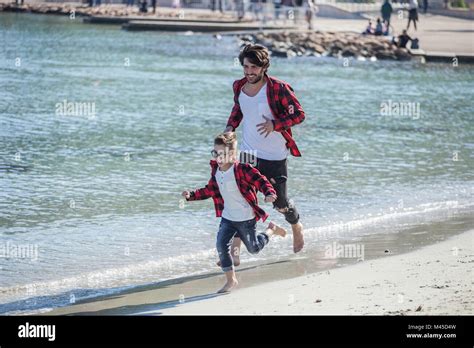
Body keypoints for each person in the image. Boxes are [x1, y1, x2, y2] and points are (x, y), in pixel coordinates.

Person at [223, 44, 306, 265]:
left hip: (274, 155)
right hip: (248, 153)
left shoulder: (278, 88)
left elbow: (299, 115)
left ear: (263, 67)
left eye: (253, 67)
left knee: (280, 203)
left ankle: (296, 225)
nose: (249, 72)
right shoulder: (239, 86)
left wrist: (275, 124)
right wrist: (230, 127)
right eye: (245, 67)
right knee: (242, 200)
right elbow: (239, 109)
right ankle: (235, 251)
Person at [182, 132, 286, 293]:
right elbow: (210, 190)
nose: (217, 157)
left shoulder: (242, 169)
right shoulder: (216, 171)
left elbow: (261, 180)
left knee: (254, 249)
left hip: (246, 219)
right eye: (215, 153)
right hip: (228, 218)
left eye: (221, 154)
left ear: (232, 154)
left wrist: (269, 193)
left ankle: (271, 230)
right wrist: (192, 195)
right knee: (221, 245)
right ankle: (231, 280)